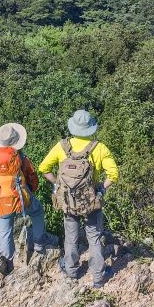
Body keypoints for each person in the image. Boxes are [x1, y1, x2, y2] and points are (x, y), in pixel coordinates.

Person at [39, 110, 119, 289]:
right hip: (91, 202)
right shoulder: (99, 148)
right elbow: (113, 174)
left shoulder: (61, 146)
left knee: (71, 237)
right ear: (90, 128)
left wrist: (57, 184)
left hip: (69, 201)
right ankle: (98, 277)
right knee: (94, 237)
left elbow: (44, 168)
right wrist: (101, 189)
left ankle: (72, 270)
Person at [0, 122, 48, 268]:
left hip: (0, 200)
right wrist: (29, 193)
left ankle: (7, 265)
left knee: (5, 232)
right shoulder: (23, 159)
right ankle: (38, 243)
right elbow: (33, 179)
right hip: (21, 198)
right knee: (37, 211)